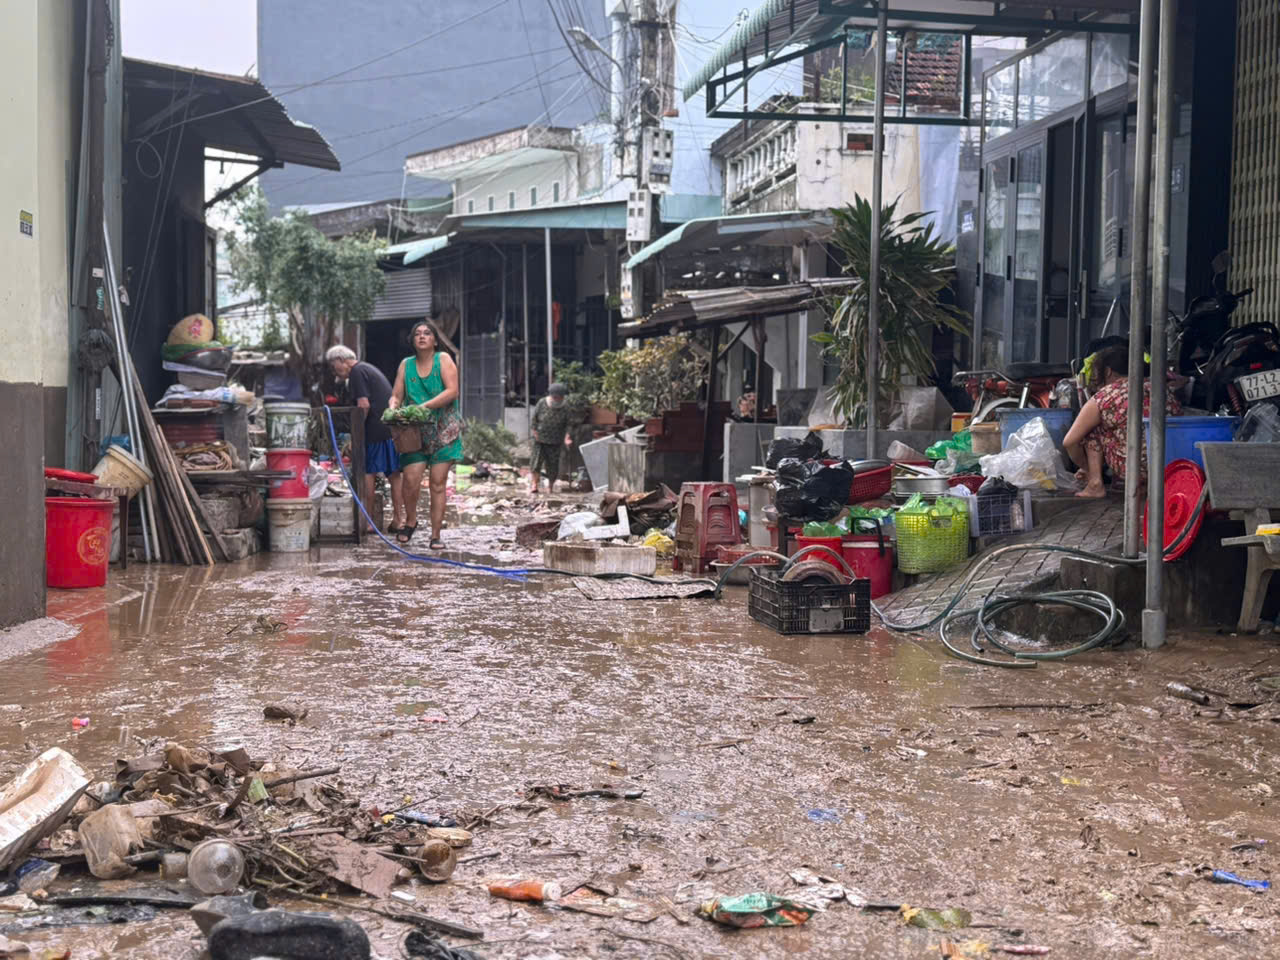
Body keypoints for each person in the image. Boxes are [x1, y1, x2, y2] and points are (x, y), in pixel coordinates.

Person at [1063, 344, 1181, 499]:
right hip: (1171, 462)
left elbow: (1069, 441)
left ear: (1108, 371)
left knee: (1092, 429)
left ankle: (1095, 483)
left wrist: (1087, 468)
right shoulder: (1161, 389)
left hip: (1136, 466)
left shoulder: (1106, 394)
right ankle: (1145, 485)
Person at [388, 320, 462, 548]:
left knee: (438, 484)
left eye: (427, 333)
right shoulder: (405, 365)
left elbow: (452, 391)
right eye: (417, 334)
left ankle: (436, 534)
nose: (422, 337)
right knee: (410, 480)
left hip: (443, 431)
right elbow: (397, 395)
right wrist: (392, 408)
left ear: (435, 340)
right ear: (412, 340)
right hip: (413, 432)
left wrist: (425, 406)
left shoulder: (444, 360)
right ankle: (410, 522)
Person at [325, 345, 407, 534]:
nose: (334, 370)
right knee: (394, 475)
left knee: (367, 473)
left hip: (375, 431)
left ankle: (368, 521)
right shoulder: (368, 368)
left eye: (333, 365)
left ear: (341, 361)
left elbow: (363, 405)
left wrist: (356, 434)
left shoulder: (357, 372)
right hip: (389, 429)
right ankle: (398, 520)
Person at [530, 382, 573, 495]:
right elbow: (534, 419)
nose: (557, 399)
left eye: (560, 397)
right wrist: (534, 432)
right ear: (551, 395)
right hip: (540, 439)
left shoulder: (566, 406)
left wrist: (567, 437)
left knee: (553, 465)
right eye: (555, 397)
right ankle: (534, 484)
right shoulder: (542, 403)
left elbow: (569, 424)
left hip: (555, 440)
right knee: (536, 463)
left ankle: (550, 486)